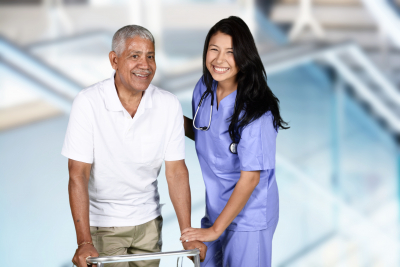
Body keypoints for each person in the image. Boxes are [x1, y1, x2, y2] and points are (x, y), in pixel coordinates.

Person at [62, 25, 206, 267]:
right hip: (104, 226)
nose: (145, 65)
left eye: (150, 56)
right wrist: (83, 241)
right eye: (135, 56)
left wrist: (187, 233)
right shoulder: (88, 102)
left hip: (149, 224)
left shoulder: (168, 104)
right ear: (114, 60)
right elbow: (78, 174)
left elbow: (176, 172)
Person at [180, 16, 289, 267]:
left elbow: (250, 177)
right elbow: (207, 135)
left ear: (244, 56)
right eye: (214, 49)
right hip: (217, 210)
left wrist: (215, 231)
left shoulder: (256, 110)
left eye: (230, 52)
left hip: (249, 219)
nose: (219, 60)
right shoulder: (205, 88)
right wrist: (165, 113)